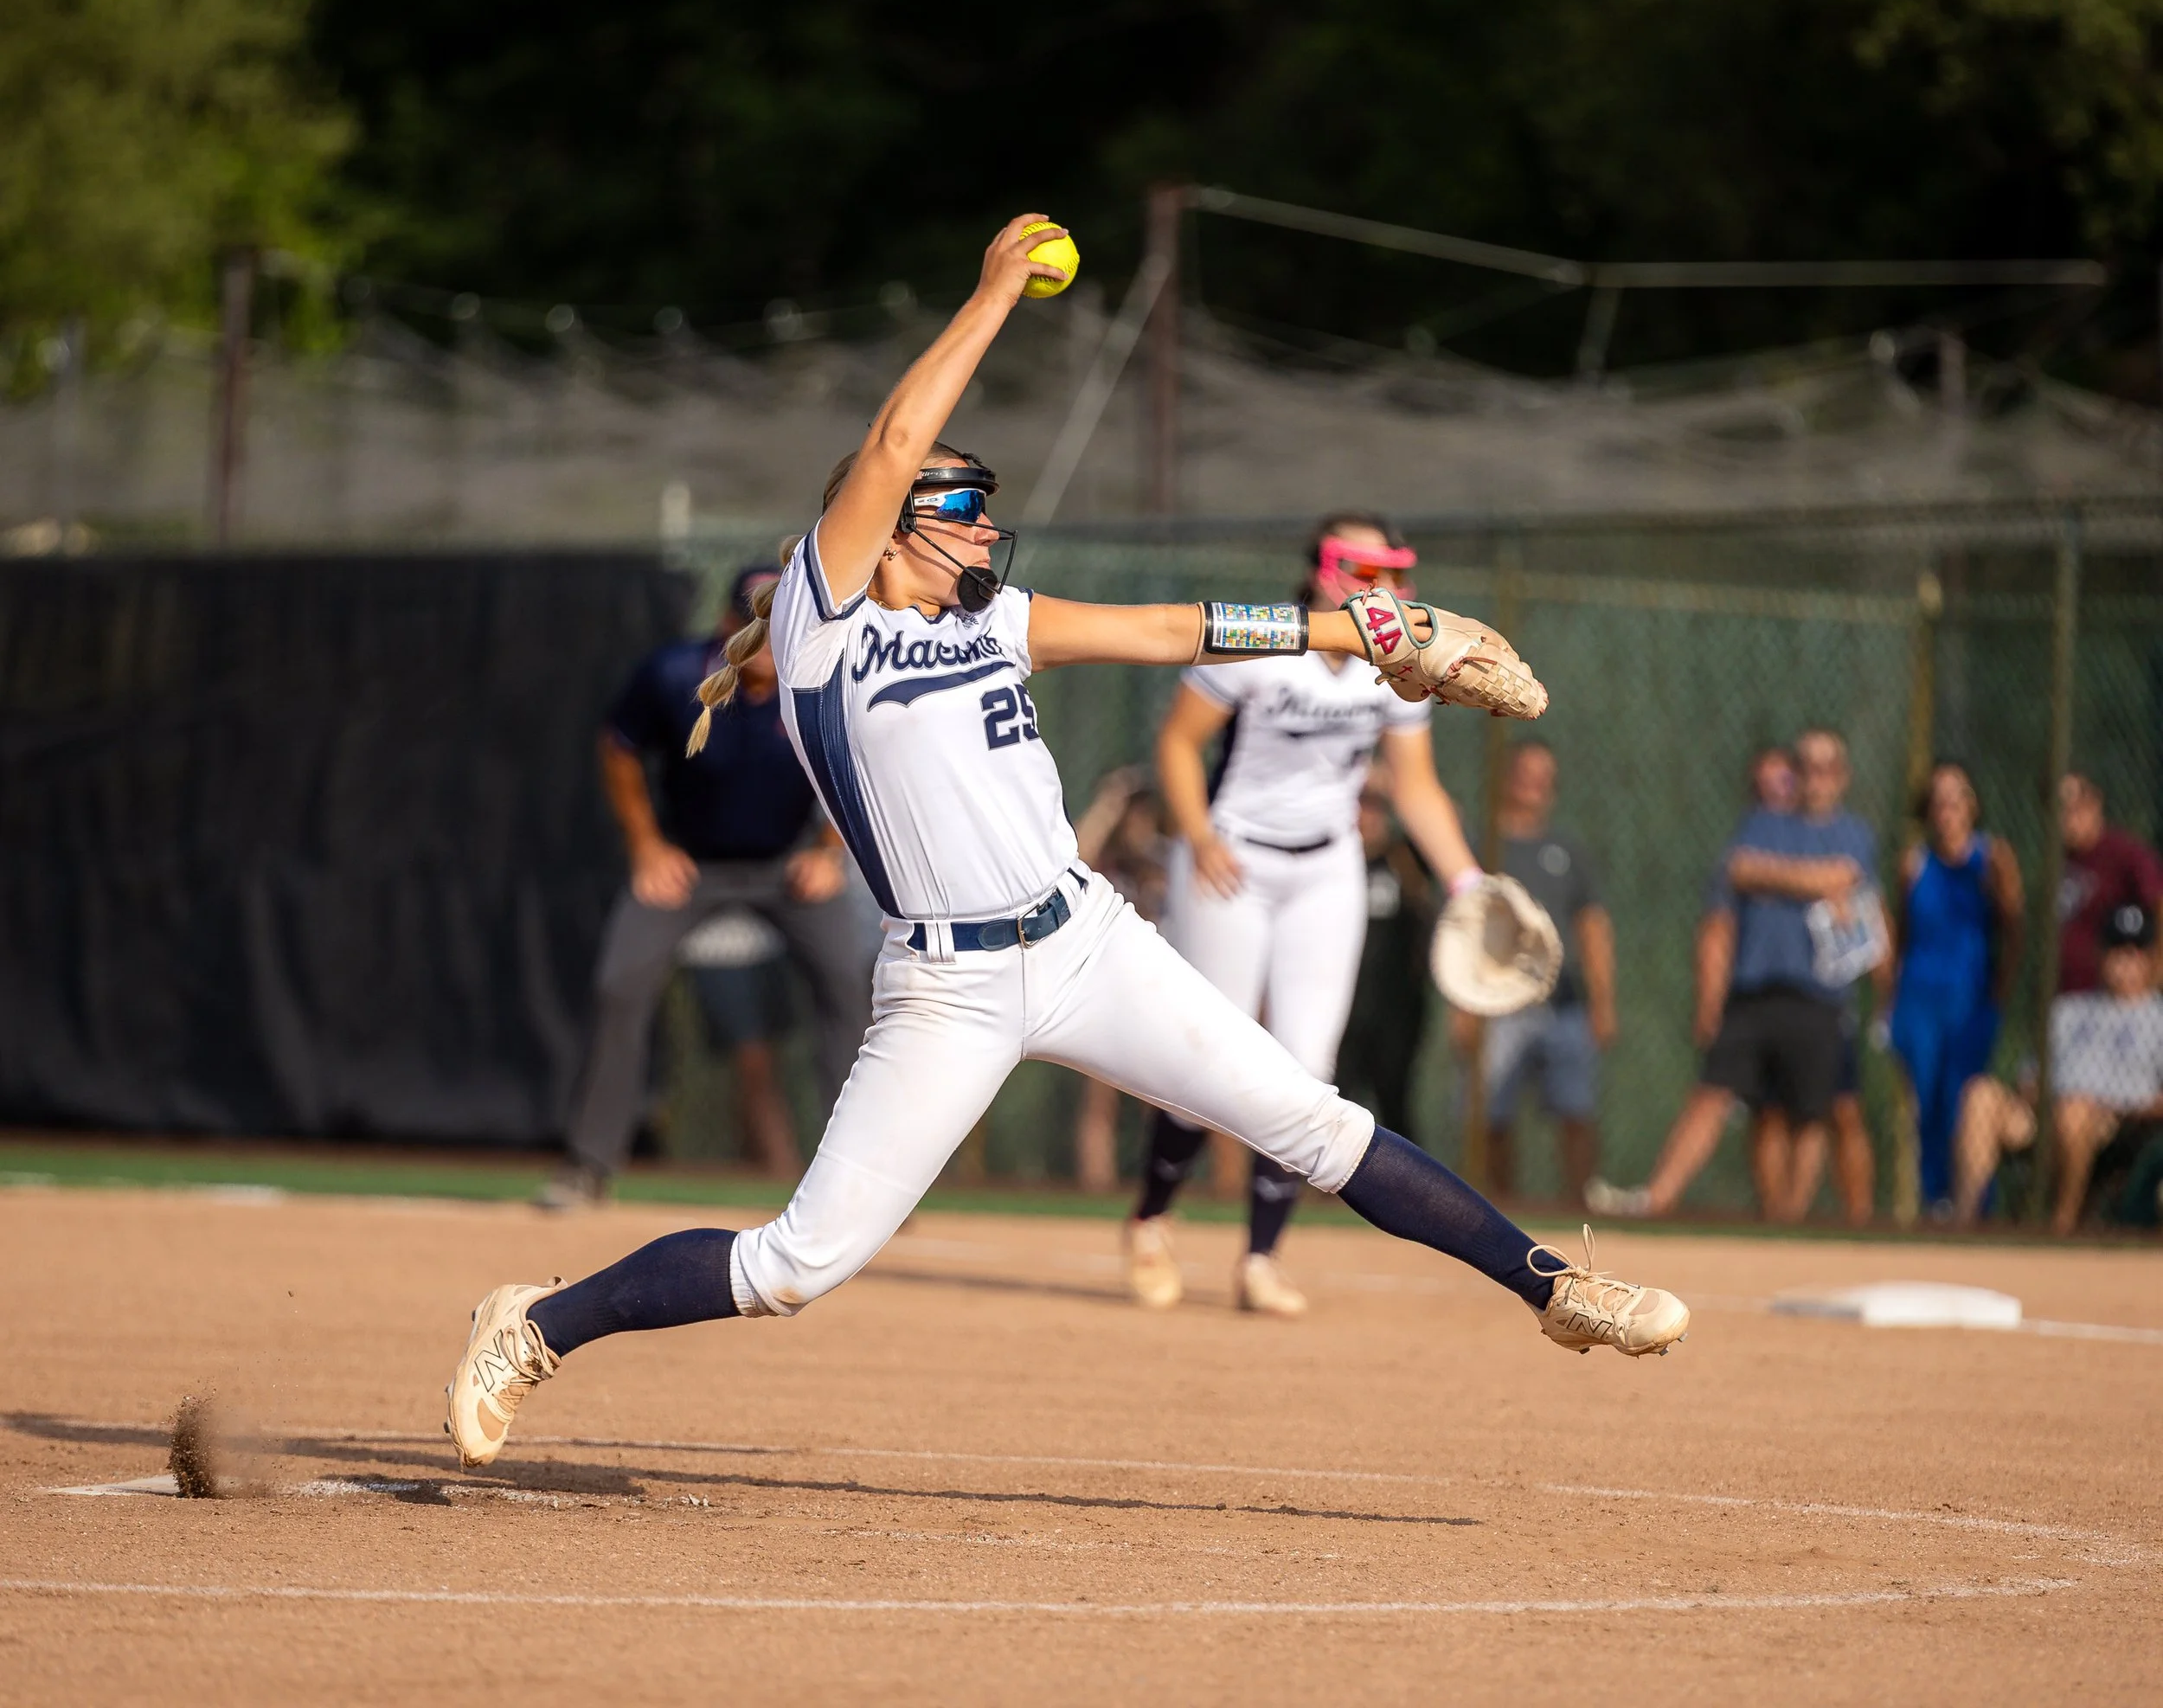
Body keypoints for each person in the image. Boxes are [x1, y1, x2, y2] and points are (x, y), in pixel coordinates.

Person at [446, 216, 1689, 1473]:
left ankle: (1552, 1289)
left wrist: (1355, 629)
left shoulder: (999, 623)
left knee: (1312, 1124)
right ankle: (534, 1327)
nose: (989, 530)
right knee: (794, 1267)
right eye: (964, 510)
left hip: (1087, 938)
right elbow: (888, 445)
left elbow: (1169, 628)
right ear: (886, 531)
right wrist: (992, 293)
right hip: (946, 986)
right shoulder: (826, 630)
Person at [1120, 512, 1486, 1320]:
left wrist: (1467, 884)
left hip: (1326, 866)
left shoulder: (1392, 671)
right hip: (1234, 859)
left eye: (1392, 573)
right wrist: (1200, 834)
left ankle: (1260, 1257)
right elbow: (1178, 744)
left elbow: (1417, 790)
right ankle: (1151, 1221)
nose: (1381, 589)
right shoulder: (1260, 640)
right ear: (1322, 573)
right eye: (1363, 570)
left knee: (1304, 1067)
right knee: (1200, 1056)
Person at [538, 562, 876, 1208]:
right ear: (726, 626)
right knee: (620, 982)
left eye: (782, 624)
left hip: (789, 867)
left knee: (847, 992)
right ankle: (588, 1166)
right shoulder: (673, 676)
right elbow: (620, 746)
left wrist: (830, 851)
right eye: (754, 622)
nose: (768, 639)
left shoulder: (826, 682)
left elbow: (862, 761)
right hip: (691, 866)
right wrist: (645, 845)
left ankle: (859, 1185)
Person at [1590, 729, 1882, 1223]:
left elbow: (1856, 889)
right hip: (1754, 992)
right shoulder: (1763, 824)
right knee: (1718, 1095)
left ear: (1843, 776)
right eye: (1805, 767)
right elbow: (1742, 870)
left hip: (1819, 996)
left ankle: (1793, 1218)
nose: (1815, 778)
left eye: (1827, 767)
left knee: (1811, 1114)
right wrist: (1816, 879)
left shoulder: (1856, 833)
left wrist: (1783, 876)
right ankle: (1656, 1198)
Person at [1452, 740, 1615, 1202]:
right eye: (1525, 773)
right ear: (1507, 778)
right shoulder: (1480, 847)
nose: (1533, 785)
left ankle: (1582, 1205)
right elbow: (1461, 930)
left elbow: (1593, 926)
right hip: (1496, 1002)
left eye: (1544, 777)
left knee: (1576, 1109)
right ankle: (1502, 1205)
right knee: (1491, 1114)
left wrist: (1602, 1002)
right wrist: (1463, 1006)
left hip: (1563, 1004)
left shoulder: (1567, 850)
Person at [1954, 903, 2163, 1232]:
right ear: (2101, 954)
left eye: (2135, 951)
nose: (2125, 960)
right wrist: (2035, 1093)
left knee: (2074, 1112)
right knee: (1980, 1093)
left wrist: (2129, 1110)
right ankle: (1964, 1220)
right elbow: (2030, 1077)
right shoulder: (2069, 1010)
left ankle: (2060, 1225)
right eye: (2117, 949)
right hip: (2044, 1115)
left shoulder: (2157, 1017)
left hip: (2115, 1123)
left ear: (2151, 959)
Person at [1886, 761, 2023, 1214]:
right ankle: (1936, 1201)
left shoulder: (1992, 856)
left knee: (1962, 1101)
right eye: (1938, 801)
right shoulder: (1914, 862)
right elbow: (1899, 934)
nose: (1947, 810)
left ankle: (1976, 1203)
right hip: (1918, 998)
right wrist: (1889, 1003)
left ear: (1972, 806)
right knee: (1925, 1103)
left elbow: (2013, 927)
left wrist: (1999, 991)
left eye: (1956, 799)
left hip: (1969, 999)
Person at [1067, 767, 1168, 1192]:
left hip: (1156, 990)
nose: (1136, 822)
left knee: (1164, 1102)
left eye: (1141, 812)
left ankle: (1164, 1186)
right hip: (1102, 986)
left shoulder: (1163, 858)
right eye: (1131, 813)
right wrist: (1110, 803)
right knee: (1101, 1100)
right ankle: (1098, 1190)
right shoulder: (1099, 863)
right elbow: (1074, 852)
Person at [1334, 774, 1441, 1145]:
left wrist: (1395, 784)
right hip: (1339, 1007)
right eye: (1360, 804)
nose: (1367, 815)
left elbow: (1444, 821)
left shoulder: (1404, 859)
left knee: (1394, 1102)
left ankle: (1408, 1189)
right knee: (1333, 1101)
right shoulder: (1330, 861)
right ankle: (1322, 1193)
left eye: (1375, 806)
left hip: (1396, 1010)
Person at [677, 908, 803, 1177]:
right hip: (715, 948)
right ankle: (782, 1168)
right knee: (753, 1062)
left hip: (772, 942)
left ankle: (773, 1167)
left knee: (768, 1064)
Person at [2056, 774, 2163, 993]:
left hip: (2111, 999)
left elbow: (2159, 905)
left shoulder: (2125, 854)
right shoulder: (2059, 858)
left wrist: (2156, 970)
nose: (2067, 819)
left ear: (2095, 804)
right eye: (2058, 810)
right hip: (2066, 991)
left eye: (2075, 808)